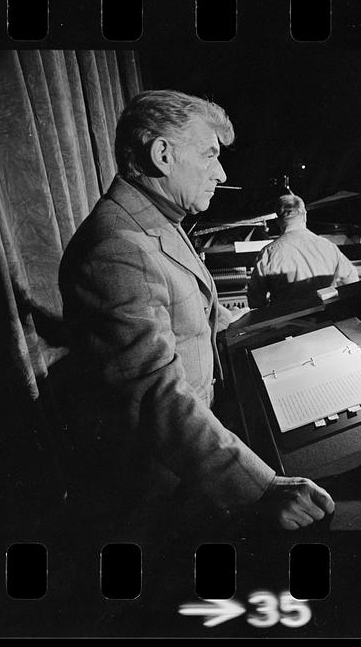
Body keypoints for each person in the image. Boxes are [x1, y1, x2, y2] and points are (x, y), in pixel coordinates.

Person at [59, 90, 334, 534]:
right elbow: (153, 396)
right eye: (209, 155)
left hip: (188, 461)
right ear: (162, 154)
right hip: (162, 488)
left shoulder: (156, 220)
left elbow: (195, 316)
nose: (221, 173)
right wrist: (261, 488)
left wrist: (281, 330)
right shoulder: (116, 247)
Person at [246, 194, 360, 308]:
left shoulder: (268, 253)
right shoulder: (329, 246)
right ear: (305, 216)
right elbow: (352, 282)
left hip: (285, 322)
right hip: (325, 320)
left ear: (278, 221)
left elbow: (255, 301)